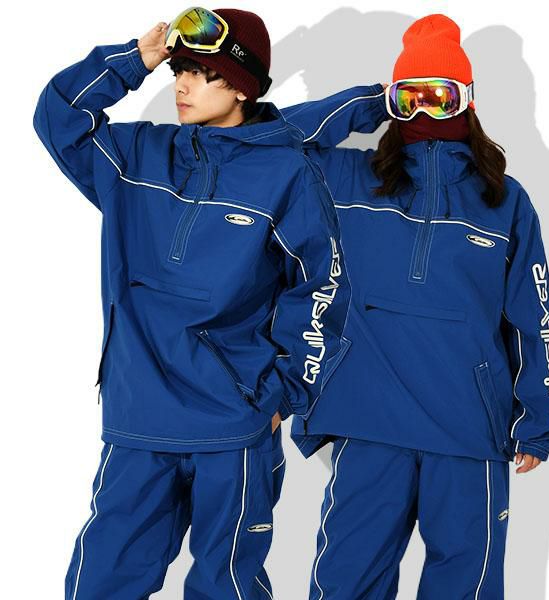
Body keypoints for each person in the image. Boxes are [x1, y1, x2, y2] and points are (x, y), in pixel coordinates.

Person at [33, 7, 350, 599]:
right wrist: (136, 60)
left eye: (202, 73)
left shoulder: (288, 174)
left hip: (234, 424)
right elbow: (58, 115)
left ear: (242, 86)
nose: (181, 85)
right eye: (179, 70)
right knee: (101, 582)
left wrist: (284, 394)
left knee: (226, 586)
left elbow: (322, 288)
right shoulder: (134, 156)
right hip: (138, 417)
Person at [281, 13, 549, 599]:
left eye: (439, 97)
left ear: (467, 101)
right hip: (368, 418)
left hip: (468, 429)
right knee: (344, 587)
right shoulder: (345, 178)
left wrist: (540, 416)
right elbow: (262, 143)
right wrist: (367, 103)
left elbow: (532, 314)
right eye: (407, 98)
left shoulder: (504, 201)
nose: (423, 113)